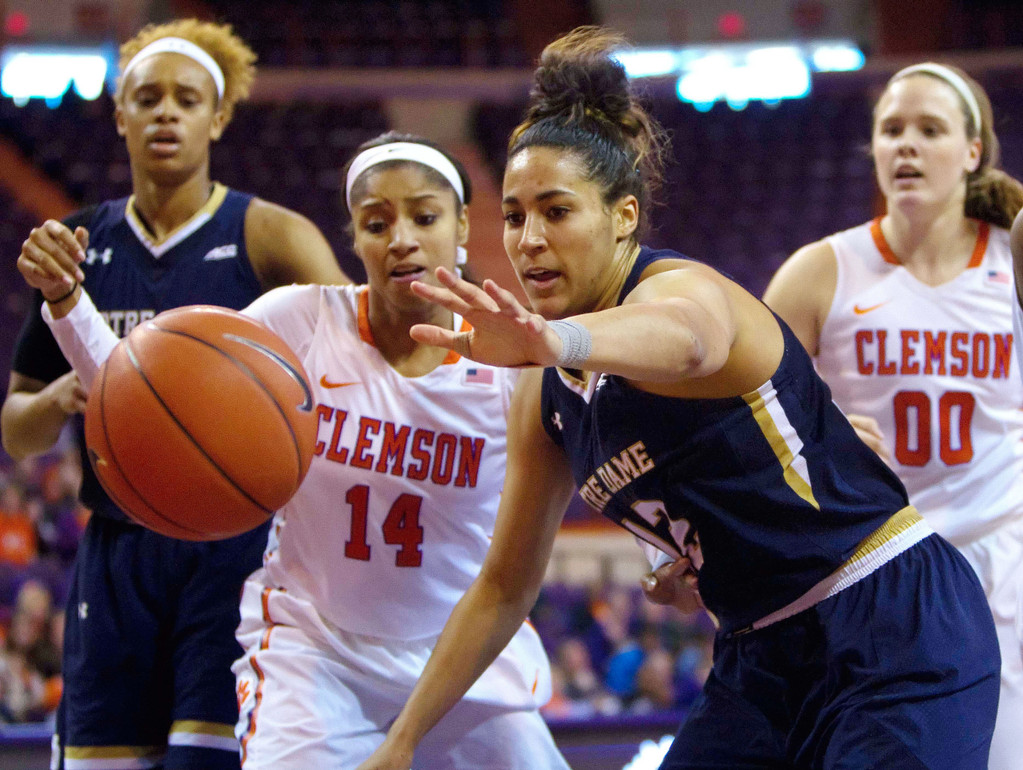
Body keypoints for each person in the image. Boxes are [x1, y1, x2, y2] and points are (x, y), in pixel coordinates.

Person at [355, 27, 1001, 770]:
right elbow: (502, 586)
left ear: (623, 216)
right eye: (513, 215)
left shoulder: (678, 289)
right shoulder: (545, 394)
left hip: (891, 620)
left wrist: (553, 341)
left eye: (556, 211)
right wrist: (401, 742)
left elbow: (690, 340)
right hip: (759, 655)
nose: (529, 238)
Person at [16, 130, 569, 769]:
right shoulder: (299, 320)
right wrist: (66, 301)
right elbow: (143, 394)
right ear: (354, 238)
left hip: (464, 656)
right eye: (376, 222)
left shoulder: (508, 362)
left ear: (461, 229)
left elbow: (600, 450)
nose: (401, 239)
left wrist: (657, 551)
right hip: (318, 654)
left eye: (423, 216)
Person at [1, 19, 347, 769]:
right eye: (147, 98)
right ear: (118, 113)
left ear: (216, 117)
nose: (166, 113)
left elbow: (355, 376)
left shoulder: (271, 238)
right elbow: (17, 430)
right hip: (117, 550)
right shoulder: (75, 247)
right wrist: (62, 394)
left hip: (238, 556)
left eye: (186, 99)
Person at [763, 62, 1023, 769]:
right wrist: (820, 435)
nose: (905, 145)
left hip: (1000, 554)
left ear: (972, 152)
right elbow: (739, 415)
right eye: (890, 130)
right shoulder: (821, 270)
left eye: (928, 130)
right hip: (875, 562)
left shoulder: (1012, 257)